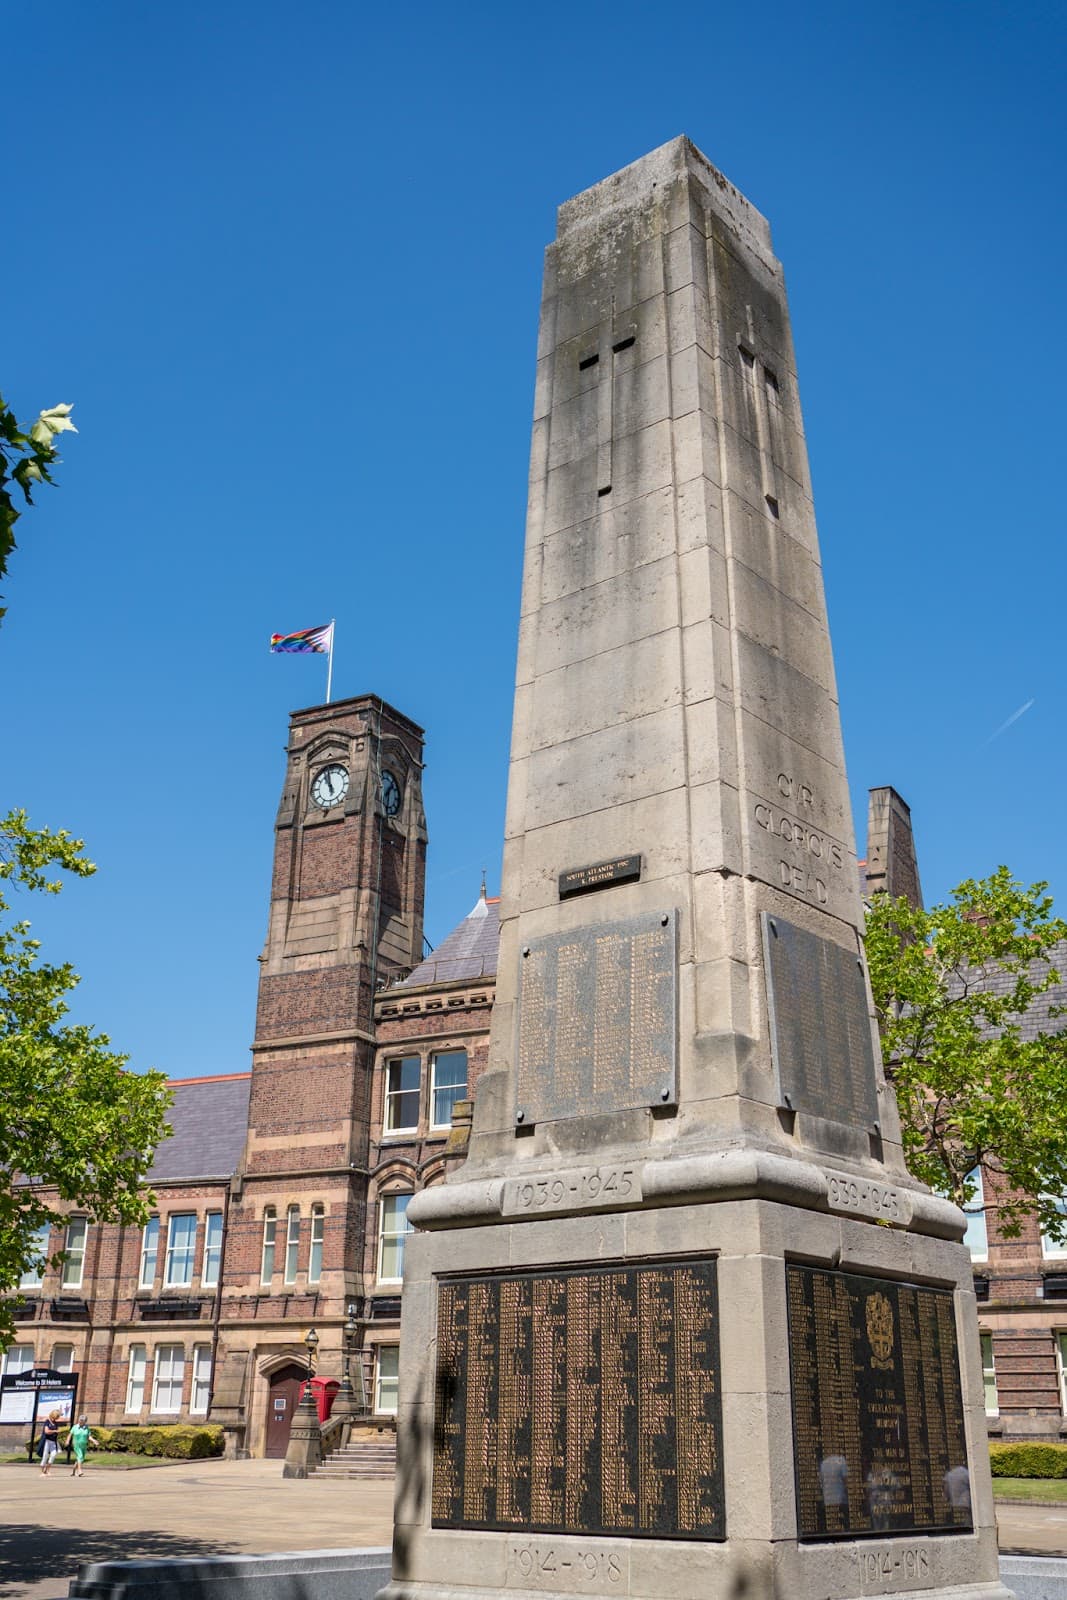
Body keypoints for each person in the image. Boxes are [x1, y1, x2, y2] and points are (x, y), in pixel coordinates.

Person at [39, 1411, 62, 1477]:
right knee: (45, 1456)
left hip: (53, 1441)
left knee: (53, 1454)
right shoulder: (47, 1422)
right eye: (56, 1417)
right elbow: (46, 1431)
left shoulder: (55, 1423)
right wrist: (55, 1431)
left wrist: (58, 1432)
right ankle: (42, 1472)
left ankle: (47, 1469)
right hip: (47, 1441)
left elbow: (57, 1430)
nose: (56, 1418)